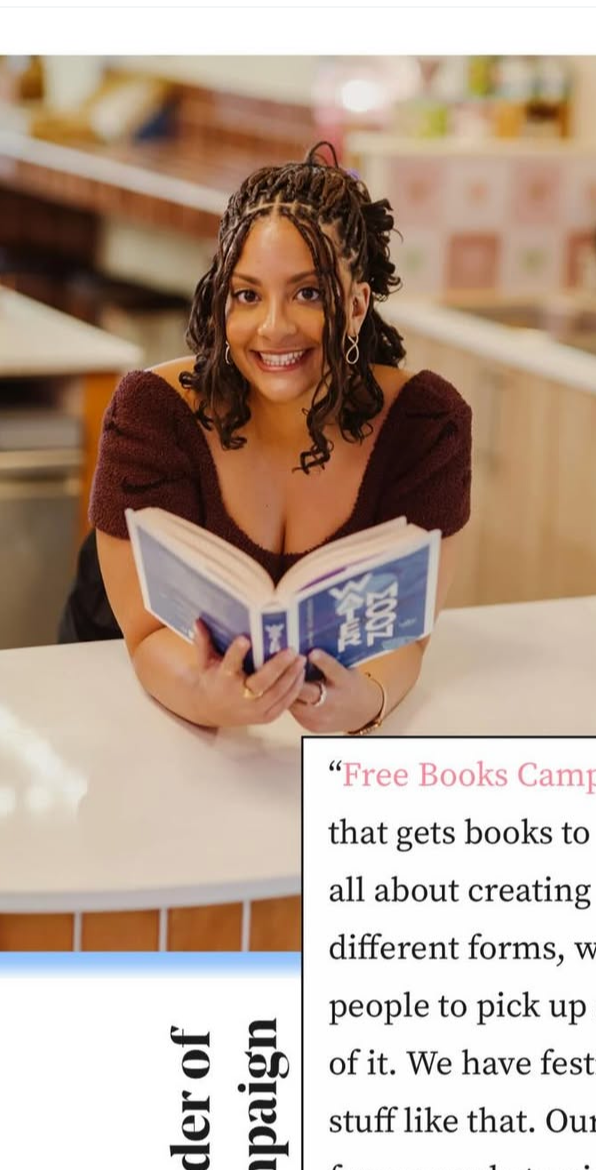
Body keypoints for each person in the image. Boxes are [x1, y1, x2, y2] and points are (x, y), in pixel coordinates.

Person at [84, 143, 471, 736]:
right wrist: (207, 697)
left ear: (359, 302)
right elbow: (145, 634)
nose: (273, 327)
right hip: (133, 700)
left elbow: (405, 637)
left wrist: (365, 703)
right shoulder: (152, 417)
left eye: (309, 293)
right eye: (247, 295)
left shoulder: (424, 427)